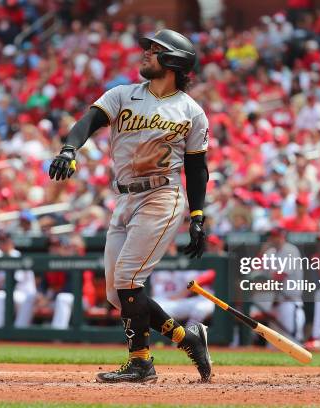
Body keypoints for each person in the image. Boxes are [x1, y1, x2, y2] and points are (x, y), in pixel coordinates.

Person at [48, 29, 212, 383]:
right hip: (124, 198)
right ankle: (189, 339)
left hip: (162, 195)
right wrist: (68, 149)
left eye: (154, 50)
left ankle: (141, 363)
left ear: (174, 61)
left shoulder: (191, 111)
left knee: (128, 280)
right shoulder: (123, 94)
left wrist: (198, 215)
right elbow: (88, 122)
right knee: (116, 294)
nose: (145, 54)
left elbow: (197, 168)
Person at [251, 227, 305, 342]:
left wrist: (263, 283)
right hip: (275, 304)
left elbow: (279, 277)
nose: (274, 239)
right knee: (274, 345)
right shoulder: (270, 253)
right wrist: (261, 253)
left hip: (289, 303)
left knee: (292, 343)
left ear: (283, 237)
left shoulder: (290, 250)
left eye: (276, 236)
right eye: (272, 236)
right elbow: (255, 274)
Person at [0, 231, 37, 328]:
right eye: (1, 242)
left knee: (1, 296)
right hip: (11, 293)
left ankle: (18, 333)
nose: (3, 244)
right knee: (0, 296)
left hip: (25, 294)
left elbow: (13, 281)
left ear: (11, 243)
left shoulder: (17, 256)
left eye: (5, 241)